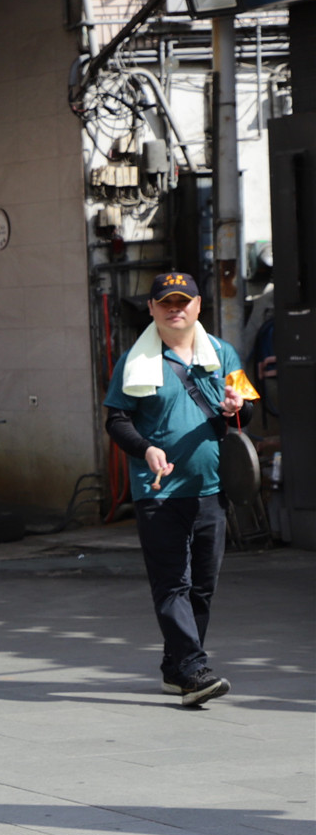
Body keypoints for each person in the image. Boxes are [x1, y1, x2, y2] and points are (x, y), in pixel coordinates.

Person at [103, 272, 250, 708]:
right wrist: (146, 449)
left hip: (211, 488)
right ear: (151, 308)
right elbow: (116, 420)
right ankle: (194, 670)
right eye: (165, 302)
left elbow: (245, 415)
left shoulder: (223, 353)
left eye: (183, 301)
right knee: (173, 584)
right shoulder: (133, 361)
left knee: (202, 586)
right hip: (158, 491)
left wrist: (238, 407)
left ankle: (176, 668)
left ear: (198, 305)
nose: (175, 309)